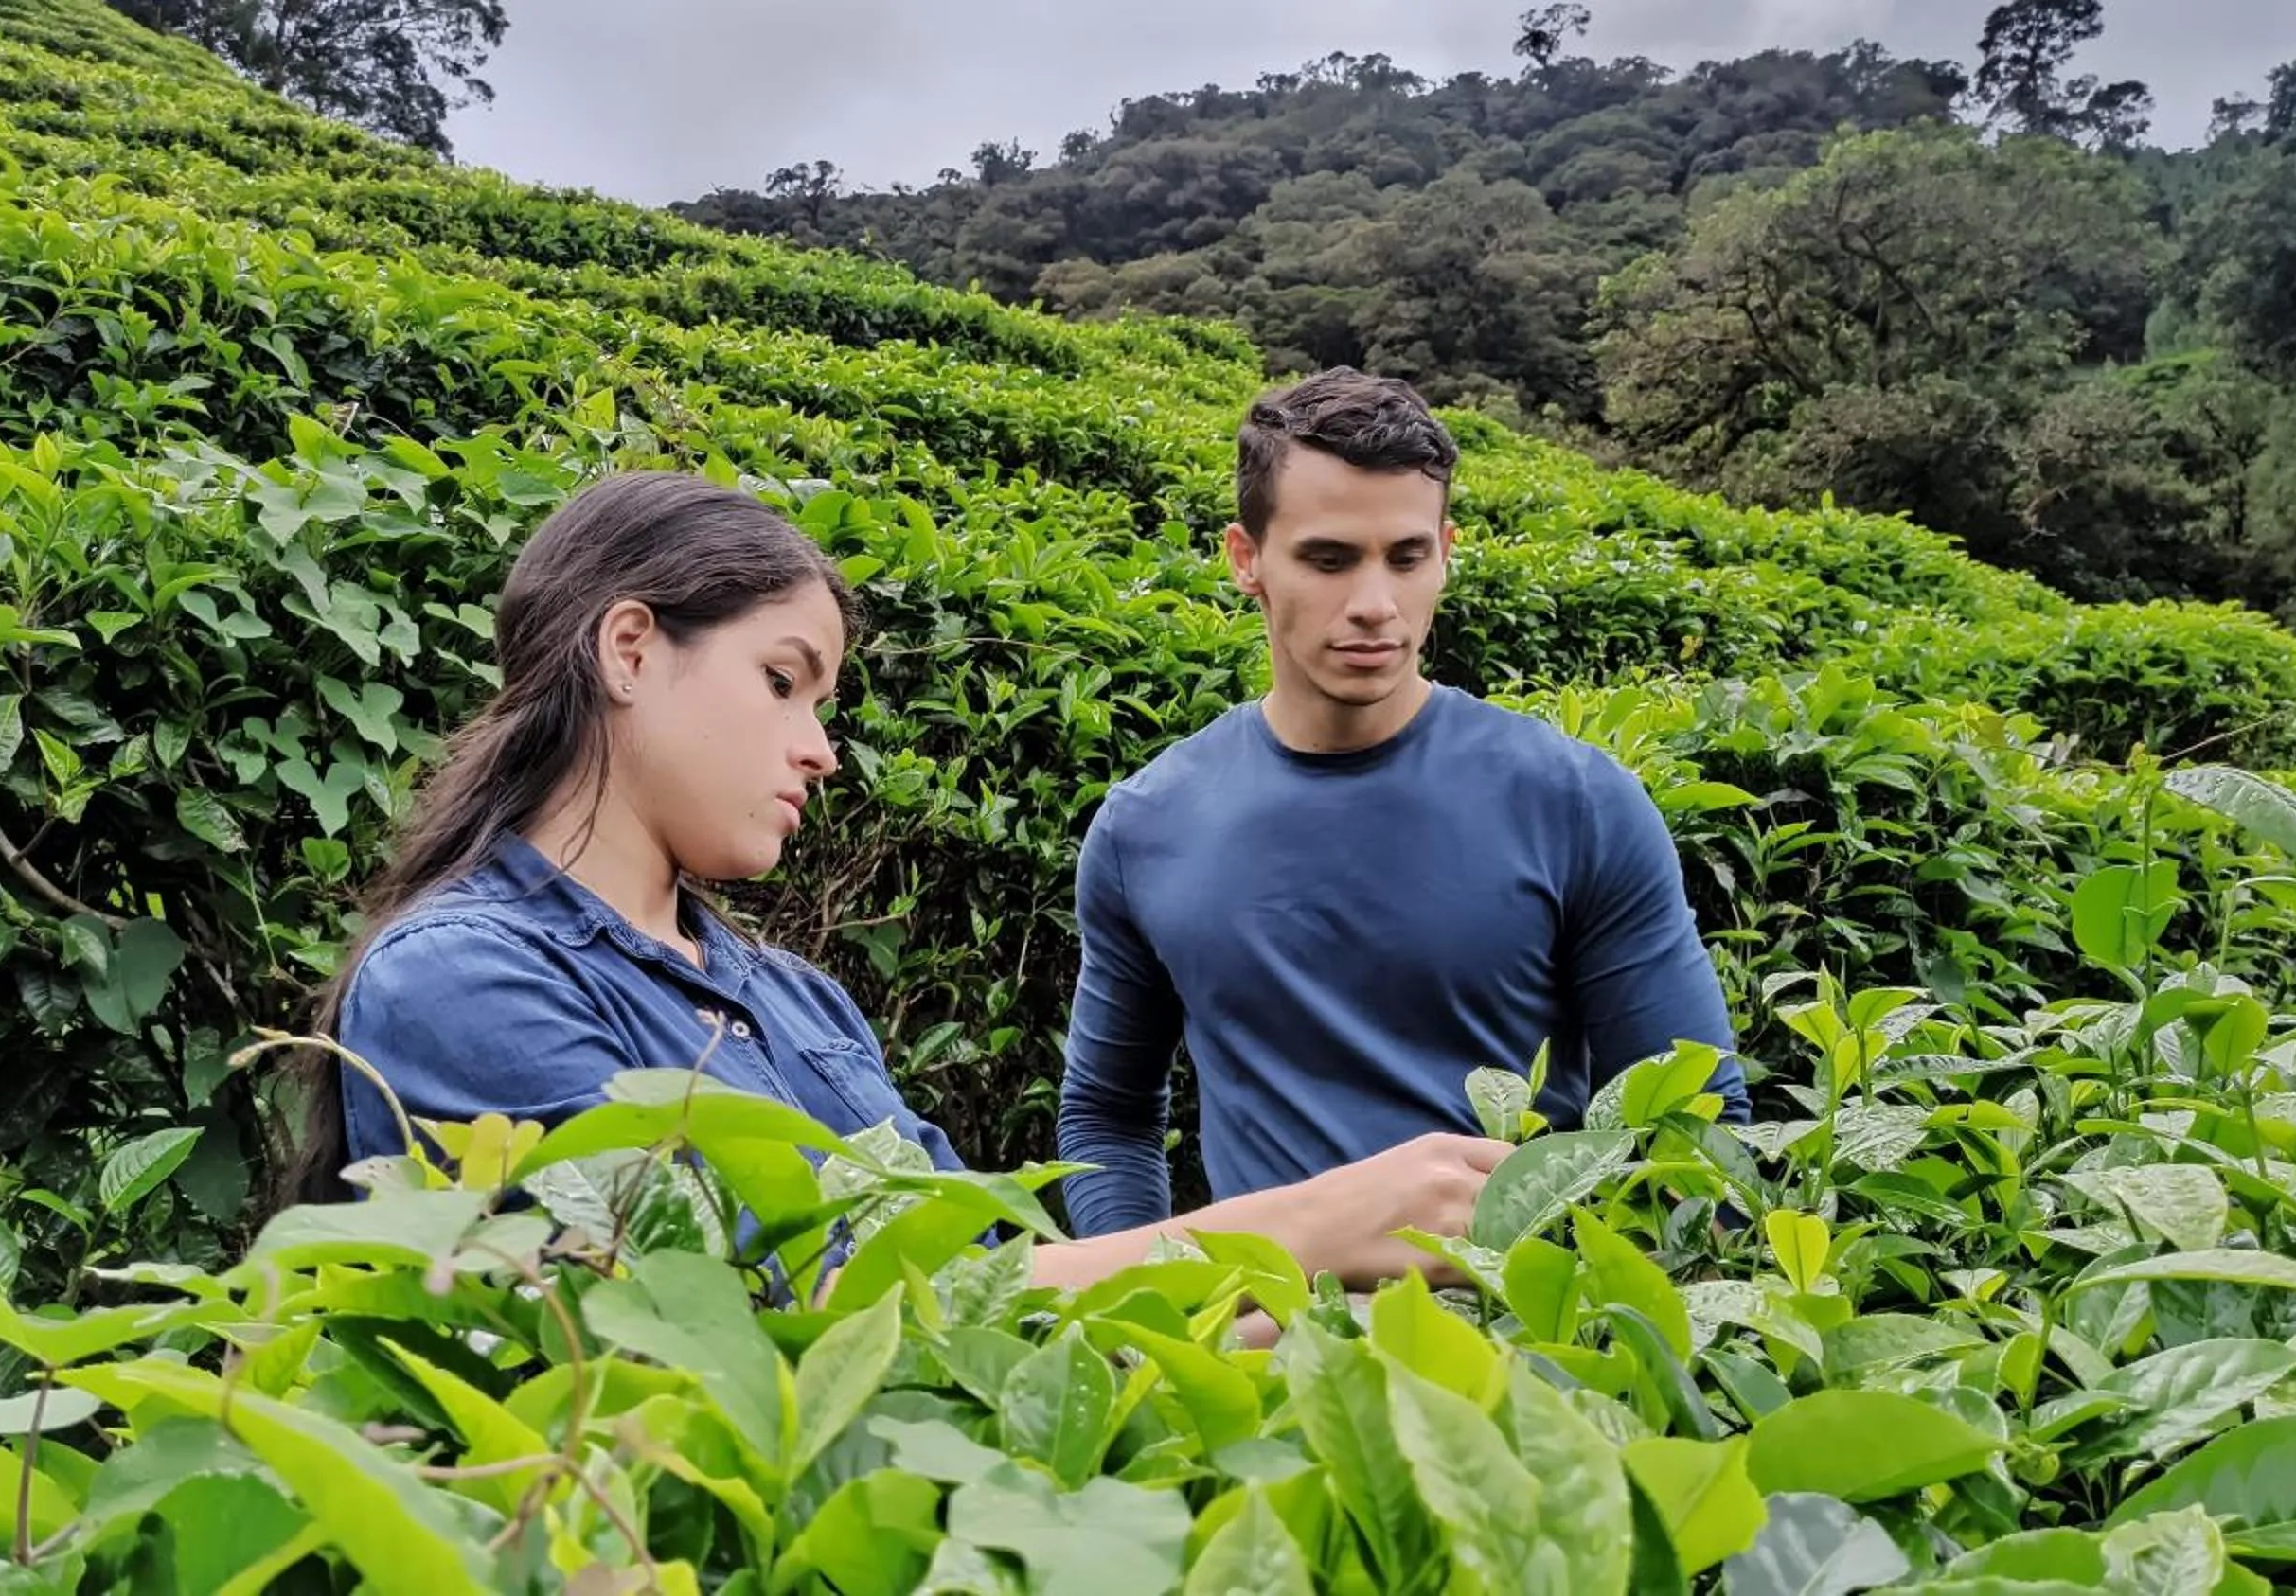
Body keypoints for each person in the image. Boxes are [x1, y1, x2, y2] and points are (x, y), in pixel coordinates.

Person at [271, 469, 1510, 1299]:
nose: (820, 745)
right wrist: (1290, 1228)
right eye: (783, 680)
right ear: (631, 648)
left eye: (826, 702)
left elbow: (997, 1280)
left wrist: (1325, 1298)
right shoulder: (458, 977)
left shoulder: (802, 1002)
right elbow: (769, 1316)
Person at [1053, 367, 1750, 1239]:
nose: (1375, 606)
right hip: (1264, 1353)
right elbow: (1109, 1118)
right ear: (1247, 559)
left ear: (1446, 552)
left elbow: (1699, 1125)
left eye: (1407, 557)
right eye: (1329, 559)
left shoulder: (1579, 804)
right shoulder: (1145, 827)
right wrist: (1140, 1303)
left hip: (1523, 1345)